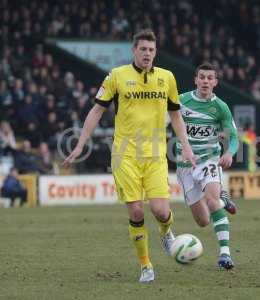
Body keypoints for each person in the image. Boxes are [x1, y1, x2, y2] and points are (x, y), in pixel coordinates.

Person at [63, 29, 195, 283]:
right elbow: (96, 111)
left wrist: (186, 147)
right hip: (125, 155)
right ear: (134, 50)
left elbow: (176, 115)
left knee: (160, 211)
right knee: (136, 212)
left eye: (151, 50)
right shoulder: (117, 76)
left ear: (156, 53)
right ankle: (146, 266)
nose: (147, 54)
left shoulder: (167, 78)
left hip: (155, 154)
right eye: (143, 49)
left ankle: (167, 232)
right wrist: (80, 145)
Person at [176, 63, 238, 269]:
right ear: (195, 80)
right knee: (202, 221)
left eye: (210, 78)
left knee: (213, 203)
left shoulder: (220, 107)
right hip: (185, 165)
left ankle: (225, 254)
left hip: (209, 160)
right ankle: (222, 193)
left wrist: (229, 152)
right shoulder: (181, 101)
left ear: (215, 82)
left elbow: (234, 135)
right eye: (202, 77)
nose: (205, 81)